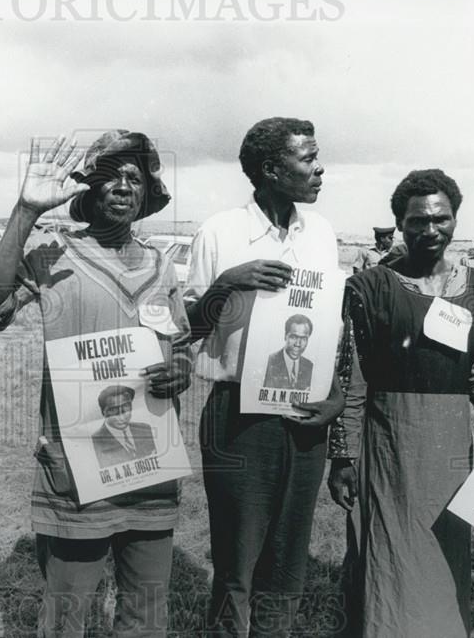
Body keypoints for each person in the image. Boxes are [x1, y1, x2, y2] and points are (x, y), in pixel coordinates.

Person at [0, 130, 191, 637]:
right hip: (76, 466)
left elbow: (179, 343)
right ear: (88, 188)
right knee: (67, 614)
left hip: (150, 467)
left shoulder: (162, 266)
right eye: (110, 175)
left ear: (147, 193)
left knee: (147, 613)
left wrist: (180, 369)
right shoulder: (55, 254)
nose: (123, 185)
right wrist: (25, 212)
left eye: (135, 177)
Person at [327, 169, 474, 637]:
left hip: (448, 452)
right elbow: (353, 375)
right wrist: (344, 456)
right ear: (400, 224)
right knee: (387, 554)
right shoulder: (372, 288)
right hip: (390, 444)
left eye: (440, 219)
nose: (430, 230)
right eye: (417, 221)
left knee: (443, 558)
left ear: (455, 220)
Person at [184, 117, 345, 637]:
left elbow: (330, 331)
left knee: (287, 562)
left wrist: (335, 396)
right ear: (272, 169)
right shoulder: (220, 232)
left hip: (304, 419)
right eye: (308, 158)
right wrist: (227, 285)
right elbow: (186, 329)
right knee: (237, 561)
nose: (320, 169)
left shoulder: (321, 234)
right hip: (239, 420)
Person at [91, 385, 157, 469]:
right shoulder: (95, 441)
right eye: (113, 409)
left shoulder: (145, 429)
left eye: (126, 406)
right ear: (103, 412)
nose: (122, 416)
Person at [262, 314, 315, 390]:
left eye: (303, 339)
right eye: (293, 337)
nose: (298, 344)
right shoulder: (268, 362)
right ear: (285, 336)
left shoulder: (310, 367)